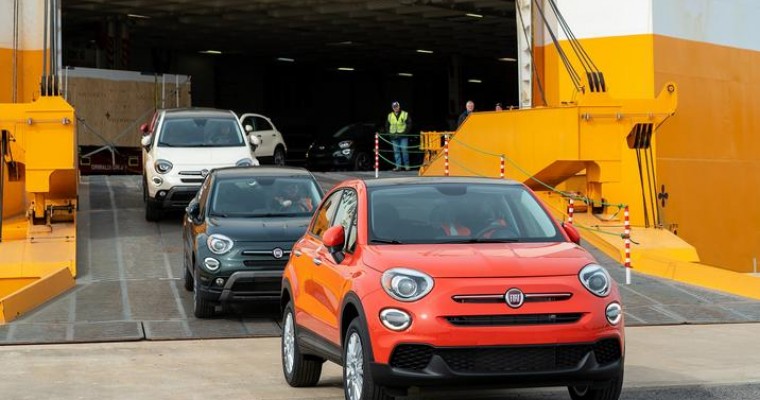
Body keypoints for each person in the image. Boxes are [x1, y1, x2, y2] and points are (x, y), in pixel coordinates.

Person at [385, 101, 412, 171]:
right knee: (396, 152)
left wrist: (405, 133)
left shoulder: (405, 114)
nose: (395, 108)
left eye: (396, 106)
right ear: (392, 108)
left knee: (404, 150)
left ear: (399, 107)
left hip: (403, 136)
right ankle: (398, 166)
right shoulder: (390, 115)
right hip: (394, 136)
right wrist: (390, 134)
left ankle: (407, 166)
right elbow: (387, 126)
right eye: (394, 107)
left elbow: (409, 124)